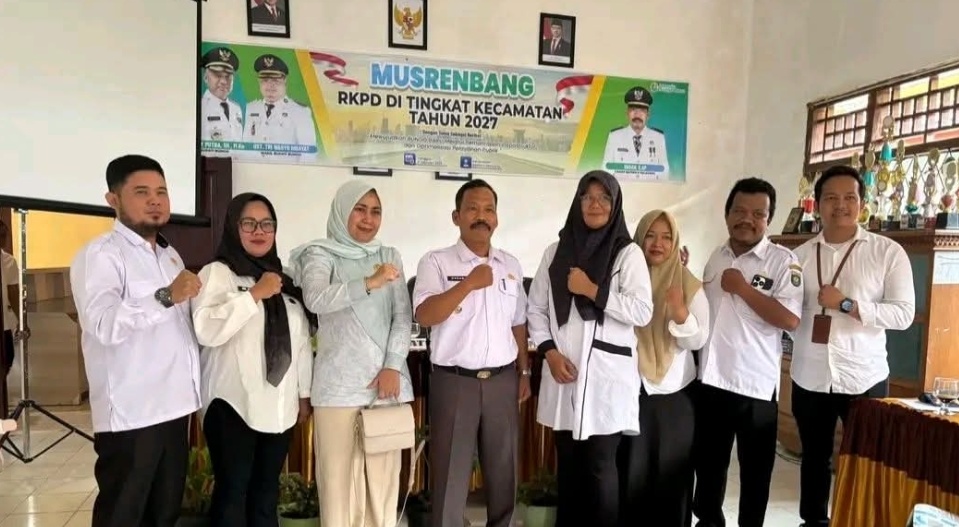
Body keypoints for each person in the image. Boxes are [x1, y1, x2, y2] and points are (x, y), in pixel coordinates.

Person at [70, 154, 202, 527]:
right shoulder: (101, 255)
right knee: (122, 516)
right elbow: (102, 323)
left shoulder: (169, 255)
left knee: (164, 515)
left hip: (175, 408)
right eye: (142, 192)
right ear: (113, 199)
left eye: (162, 192)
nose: (155, 201)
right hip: (133, 414)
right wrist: (166, 296)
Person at [789, 165, 915, 527]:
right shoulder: (798, 256)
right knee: (814, 457)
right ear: (817, 205)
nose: (840, 205)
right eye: (831, 198)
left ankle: (860, 520)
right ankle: (813, 521)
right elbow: (789, 311)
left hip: (864, 376)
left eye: (849, 197)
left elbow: (904, 314)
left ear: (862, 203)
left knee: (866, 458)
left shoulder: (887, 252)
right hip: (810, 374)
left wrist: (847, 305)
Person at [527, 170, 654, 527]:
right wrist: (550, 352)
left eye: (604, 198)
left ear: (615, 205)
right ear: (578, 202)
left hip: (605, 381)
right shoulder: (555, 253)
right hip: (563, 374)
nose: (595, 204)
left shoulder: (627, 254)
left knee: (600, 468)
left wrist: (592, 290)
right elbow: (535, 309)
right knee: (568, 467)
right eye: (588, 197)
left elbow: (642, 311)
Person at [288, 180, 413, 527]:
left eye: (375, 211)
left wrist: (393, 366)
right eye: (359, 209)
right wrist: (369, 283)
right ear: (342, 211)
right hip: (338, 389)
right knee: (338, 486)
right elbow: (316, 298)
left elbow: (403, 317)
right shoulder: (319, 254)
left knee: (382, 488)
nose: (368, 219)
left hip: (385, 387)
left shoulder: (389, 256)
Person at [412, 179, 532, 527]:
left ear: (497, 218)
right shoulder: (436, 261)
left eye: (489, 209)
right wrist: (467, 284)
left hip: (502, 381)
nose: (482, 216)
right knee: (451, 476)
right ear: (457, 216)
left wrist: (524, 372)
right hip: (455, 382)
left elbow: (518, 322)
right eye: (473, 209)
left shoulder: (510, 265)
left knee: (504, 473)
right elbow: (425, 315)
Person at [192, 193, 315, 526]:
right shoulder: (218, 274)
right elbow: (206, 329)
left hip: (280, 405)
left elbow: (301, 342)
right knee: (233, 493)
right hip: (232, 403)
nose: (259, 231)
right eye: (249, 223)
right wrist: (255, 295)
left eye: (266, 224)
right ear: (234, 227)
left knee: (266, 494)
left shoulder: (285, 279)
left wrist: (304, 394)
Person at [692, 177, 803, 527]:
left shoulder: (783, 262)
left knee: (756, 475)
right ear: (727, 214)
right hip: (711, 380)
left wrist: (743, 289)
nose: (747, 219)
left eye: (758, 214)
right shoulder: (716, 256)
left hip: (755, 387)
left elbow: (790, 319)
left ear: (768, 219)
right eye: (739, 211)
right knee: (709, 469)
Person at [618, 209, 709, 527]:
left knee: (672, 478)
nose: (658, 243)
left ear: (676, 242)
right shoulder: (623, 279)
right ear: (639, 239)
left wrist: (680, 311)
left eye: (666, 237)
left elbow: (698, 340)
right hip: (631, 392)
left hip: (674, 396)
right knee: (631, 475)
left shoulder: (688, 283)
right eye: (651, 235)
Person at [243, 54, 318, 152]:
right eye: (265, 80)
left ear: (284, 81)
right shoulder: (250, 109)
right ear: (259, 81)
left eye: (275, 80)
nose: (270, 85)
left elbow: (308, 153)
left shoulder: (300, 112)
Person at [602, 86, 670, 180]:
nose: (637, 115)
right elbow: (606, 172)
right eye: (633, 109)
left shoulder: (658, 137)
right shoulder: (614, 136)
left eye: (642, 110)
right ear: (627, 113)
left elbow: (664, 173)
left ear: (648, 115)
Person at [200, 46, 243, 143]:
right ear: (206, 77)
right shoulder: (199, 107)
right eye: (217, 75)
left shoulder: (236, 109)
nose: (224, 81)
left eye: (228, 76)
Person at [0, 219, 24, 377]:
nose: (3, 239)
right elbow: (13, 292)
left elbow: (13, 292)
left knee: (7, 358)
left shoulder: (8, 261)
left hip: (4, 324)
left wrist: (20, 320)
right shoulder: (8, 260)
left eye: (4, 235)